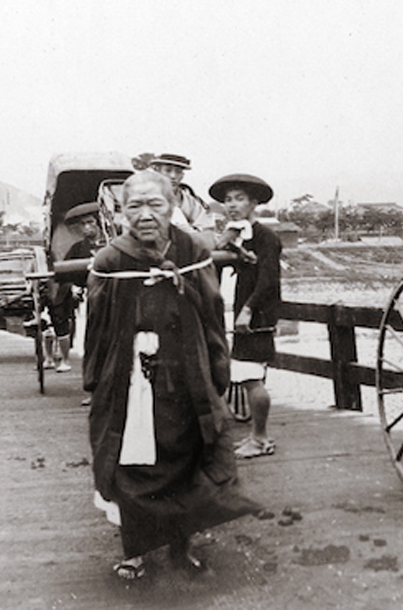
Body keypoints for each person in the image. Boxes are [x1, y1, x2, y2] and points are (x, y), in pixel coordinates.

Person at [83, 169, 260, 580]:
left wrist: (218, 369)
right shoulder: (110, 260)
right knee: (132, 463)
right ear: (122, 211)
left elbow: (213, 315)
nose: (145, 215)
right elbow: (97, 328)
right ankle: (135, 551)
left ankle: (182, 546)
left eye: (155, 204)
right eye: (134, 206)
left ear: (173, 206)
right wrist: (96, 382)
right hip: (131, 379)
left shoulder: (193, 250)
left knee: (185, 457)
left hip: (185, 375)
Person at [208, 174, 282, 460]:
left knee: (252, 378)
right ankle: (256, 436)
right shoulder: (237, 235)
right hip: (242, 312)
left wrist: (248, 310)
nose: (232, 205)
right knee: (247, 373)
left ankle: (261, 438)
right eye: (227, 200)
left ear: (253, 203)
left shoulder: (266, 237)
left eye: (239, 199)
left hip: (256, 314)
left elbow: (269, 280)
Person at [46, 202, 101, 373]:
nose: (87, 227)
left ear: (99, 223)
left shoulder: (111, 244)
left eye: (90, 222)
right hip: (85, 294)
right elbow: (65, 274)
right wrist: (73, 287)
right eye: (83, 224)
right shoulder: (78, 248)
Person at [147, 153, 217, 235]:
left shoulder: (191, 200)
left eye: (178, 172)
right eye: (168, 170)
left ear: (182, 176)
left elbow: (206, 226)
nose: (173, 176)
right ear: (158, 172)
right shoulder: (145, 196)